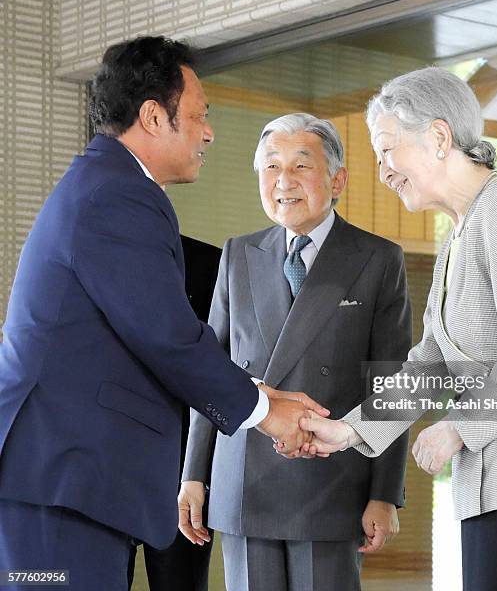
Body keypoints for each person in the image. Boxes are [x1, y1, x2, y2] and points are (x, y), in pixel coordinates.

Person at [0, 36, 326, 591]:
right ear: (154, 116)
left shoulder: (109, 185)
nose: (208, 132)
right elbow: (167, 336)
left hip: (70, 483)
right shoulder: (116, 196)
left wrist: (265, 397)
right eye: (198, 116)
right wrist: (264, 412)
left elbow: (148, 337)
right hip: (59, 483)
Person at [291, 68, 497, 591]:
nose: (384, 169)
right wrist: (348, 430)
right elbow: (431, 363)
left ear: (438, 137)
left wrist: (457, 427)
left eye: (388, 149)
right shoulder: (459, 235)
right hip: (494, 493)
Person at [179, 113, 411, 591]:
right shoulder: (238, 254)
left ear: (337, 179)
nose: (283, 181)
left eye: (301, 166)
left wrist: (385, 494)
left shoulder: (378, 258)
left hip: (332, 481)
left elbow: (392, 384)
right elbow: (211, 373)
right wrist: (194, 476)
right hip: (244, 477)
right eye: (270, 167)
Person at [127, 235, 222, 591]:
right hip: (105, 471)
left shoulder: (212, 263)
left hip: (184, 473)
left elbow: (220, 365)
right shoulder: (85, 258)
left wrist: (382, 491)